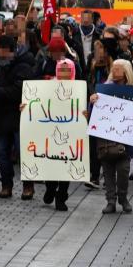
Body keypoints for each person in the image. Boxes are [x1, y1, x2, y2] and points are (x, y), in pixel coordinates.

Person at [89, 59, 133, 214]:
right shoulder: (104, 90)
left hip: (125, 141)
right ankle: (111, 201)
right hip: (106, 141)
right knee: (107, 173)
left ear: (126, 72)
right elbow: (93, 114)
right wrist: (92, 102)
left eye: (118, 69)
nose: (114, 72)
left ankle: (123, 197)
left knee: (123, 170)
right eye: (113, 69)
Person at [0, 35, 36, 199]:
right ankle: (6, 185)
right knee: (2, 153)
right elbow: (3, 84)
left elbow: (17, 91)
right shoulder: (3, 66)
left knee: (24, 154)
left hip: (19, 117)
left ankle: (28, 186)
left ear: (7, 50)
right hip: (1, 117)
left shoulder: (23, 66)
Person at [43, 59, 79, 211]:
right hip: (51, 130)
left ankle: (61, 196)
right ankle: (50, 187)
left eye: (67, 70)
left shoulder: (79, 89)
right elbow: (39, 104)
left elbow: (84, 107)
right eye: (61, 70)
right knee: (51, 163)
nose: (64, 73)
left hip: (70, 132)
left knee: (67, 166)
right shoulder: (48, 87)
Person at [85, 40, 112, 189]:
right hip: (94, 107)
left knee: (106, 145)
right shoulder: (92, 65)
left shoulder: (112, 67)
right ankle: (94, 175)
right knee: (93, 143)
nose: (98, 53)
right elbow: (88, 83)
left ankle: (107, 176)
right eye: (96, 50)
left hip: (109, 109)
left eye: (100, 49)